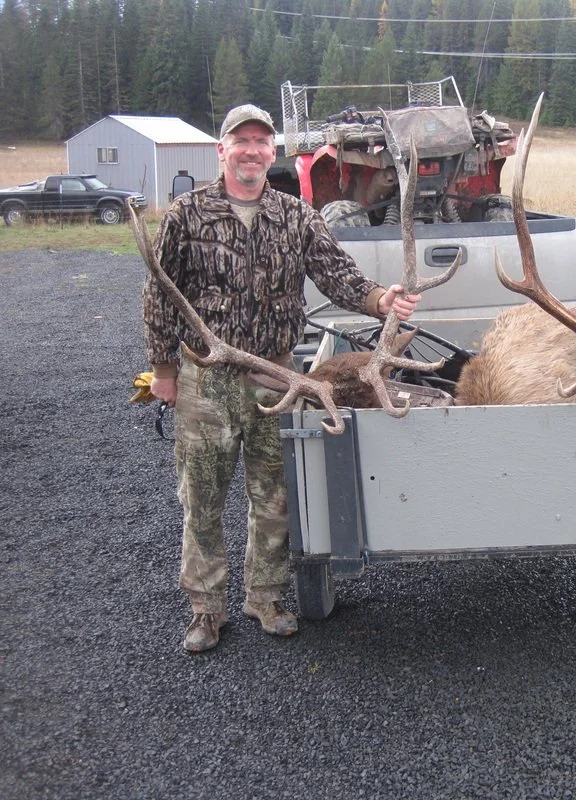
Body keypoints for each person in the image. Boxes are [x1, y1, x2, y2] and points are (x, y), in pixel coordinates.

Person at [143, 104, 421, 652]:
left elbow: (336, 274)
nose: (251, 150)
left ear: (273, 152)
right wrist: (163, 369)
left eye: (261, 142)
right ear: (221, 150)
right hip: (207, 379)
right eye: (240, 140)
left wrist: (378, 298)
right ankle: (206, 608)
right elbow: (159, 294)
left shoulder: (295, 216)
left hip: (279, 378)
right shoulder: (186, 215)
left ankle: (265, 597)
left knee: (275, 497)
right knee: (202, 497)